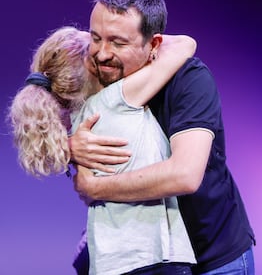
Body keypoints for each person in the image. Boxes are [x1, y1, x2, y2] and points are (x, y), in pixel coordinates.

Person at [70, 0, 256, 275]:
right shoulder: (96, 76)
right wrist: (70, 147)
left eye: (118, 43)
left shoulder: (190, 81)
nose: (102, 53)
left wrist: (95, 187)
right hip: (145, 259)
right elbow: (39, 128)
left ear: (154, 44)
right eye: (95, 38)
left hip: (212, 256)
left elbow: (184, 174)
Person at [8, 26, 198, 274]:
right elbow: (185, 44)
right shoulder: (116, 98)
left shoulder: (77, 123)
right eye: (97, 46)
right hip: (148, 257)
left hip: (105, 258)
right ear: (92, 70)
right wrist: (129, 38)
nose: (107, 51)